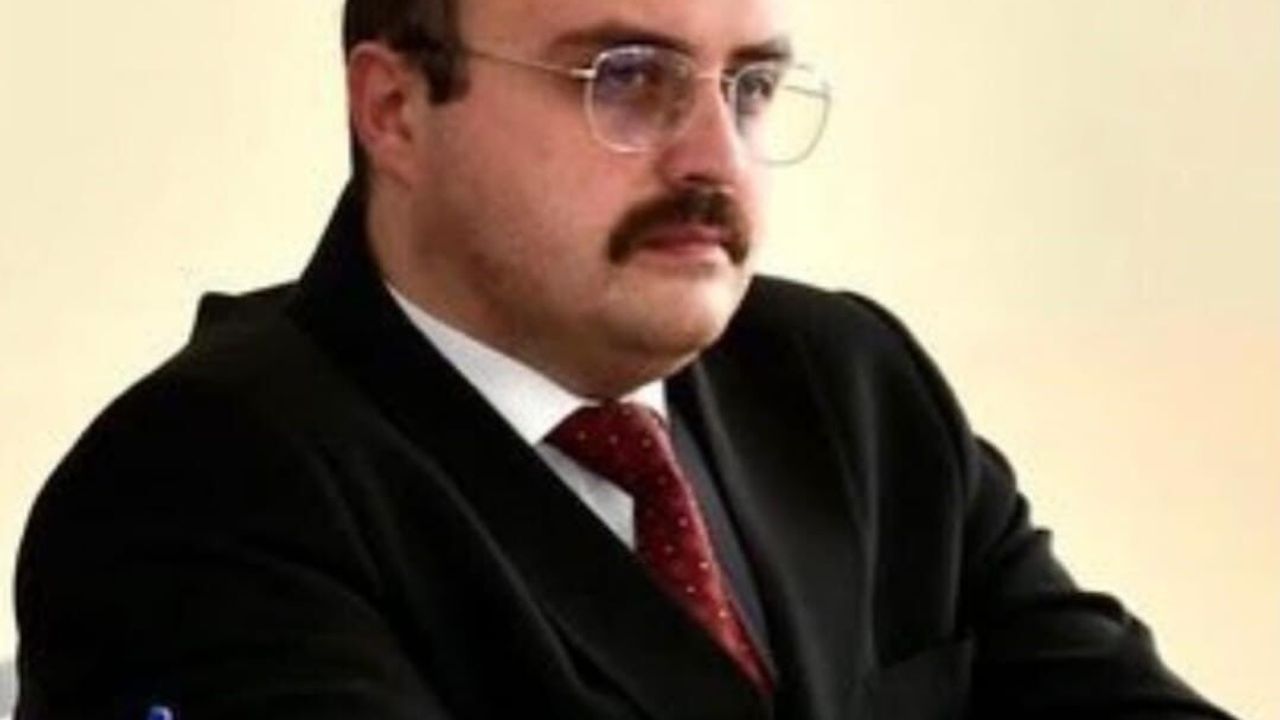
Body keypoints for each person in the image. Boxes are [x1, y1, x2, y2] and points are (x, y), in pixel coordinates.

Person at [14, 0, 1236, 718]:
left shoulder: (846, 380)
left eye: (749, 86)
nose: (714, 157)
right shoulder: (200, 486)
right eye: (628, 79)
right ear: (394, 109)